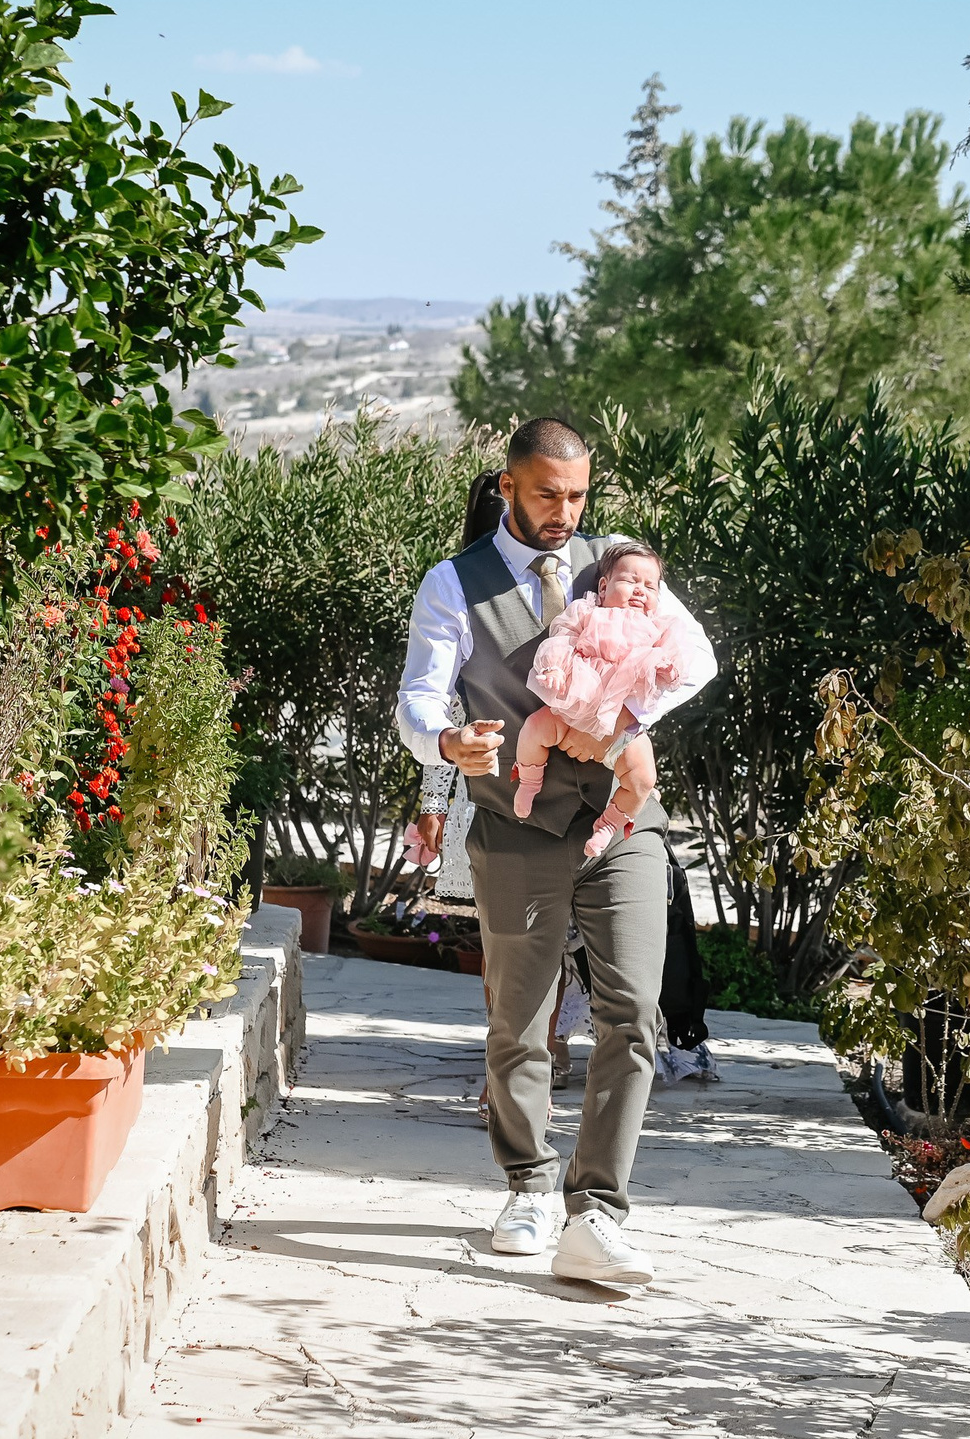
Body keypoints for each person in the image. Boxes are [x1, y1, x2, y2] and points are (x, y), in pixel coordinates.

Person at [396, 417, 716, 1287]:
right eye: (547, 494)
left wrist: (630, 720)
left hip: (622, 826)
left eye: (576, 495)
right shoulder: (452, 584)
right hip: (515, 822)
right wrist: (445, 744)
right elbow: (418, 699)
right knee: (518, 1020)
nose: (565, 514)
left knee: (634, 1014)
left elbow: (699, 660)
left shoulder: (619, 560)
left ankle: (599, 1209)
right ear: (507, 486)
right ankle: (530, 1185)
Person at [511, 540, 693, 856]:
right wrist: (554, 668)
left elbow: (679, 658)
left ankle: (608, 824)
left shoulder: (659, 625)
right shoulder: (587, 611)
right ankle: (529, 780)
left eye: (650, 586)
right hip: (575, 702)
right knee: (533, 729)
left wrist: (667, 667)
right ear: (605, 586)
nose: (641, 591)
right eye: (631, 581)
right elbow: (562, 637)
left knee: (643, 778)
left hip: (622, 721)